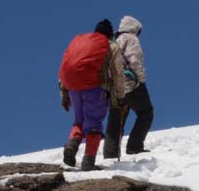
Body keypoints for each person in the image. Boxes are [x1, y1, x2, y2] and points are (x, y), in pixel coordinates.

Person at [59, 19, 116, 171]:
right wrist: (120, 95)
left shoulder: (79, 40)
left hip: (72, 86)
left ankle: (72, 144)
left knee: (79, 121)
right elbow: (116, 72)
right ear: (109, 34)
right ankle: (88, 162)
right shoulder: (108, 44)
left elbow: (66, 64)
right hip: (93, 87)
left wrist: (64, 92)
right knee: (94, 123)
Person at [104, 15, 154, 158]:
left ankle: (110, 154)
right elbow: (134, 60)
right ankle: (134, 146)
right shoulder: (131, 39)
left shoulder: (113, 41)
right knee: (146, 112)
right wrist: (141, 79)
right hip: (129, 83)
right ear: (134, 28)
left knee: (116, 119)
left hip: (113, 86)